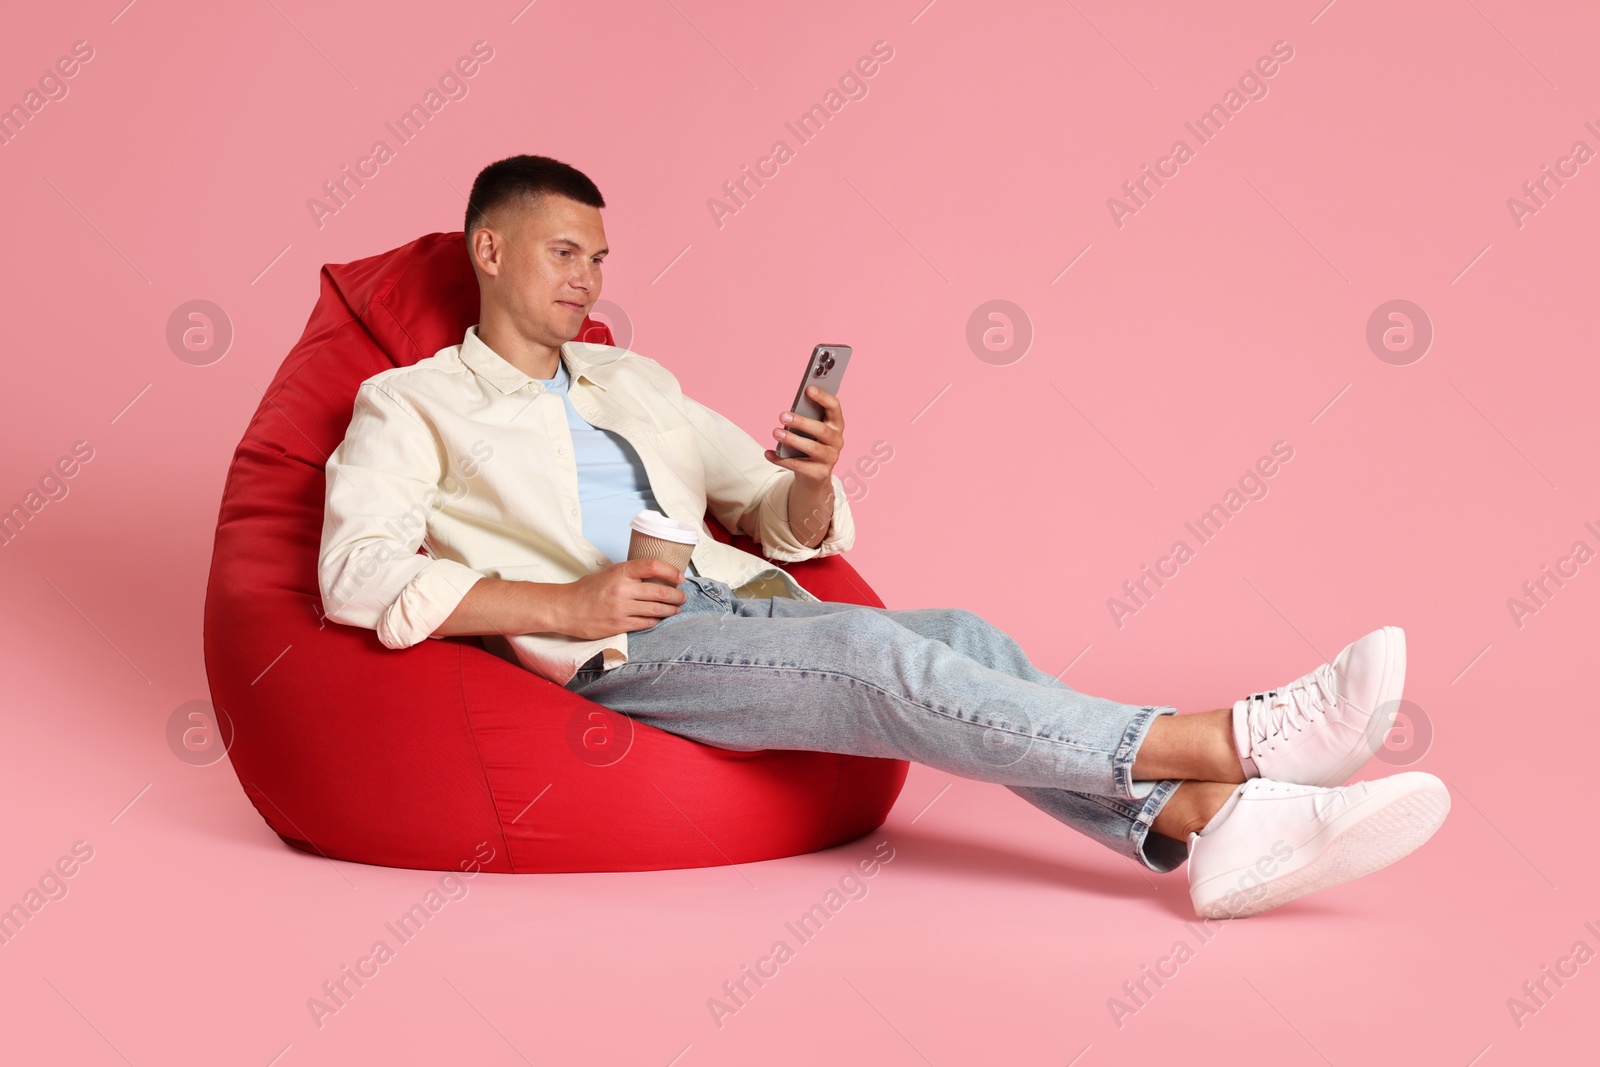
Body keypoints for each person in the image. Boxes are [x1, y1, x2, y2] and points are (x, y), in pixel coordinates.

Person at [318, 154, 1449, 919]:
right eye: (566, 252)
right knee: (877, 654)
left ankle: (1212, 822)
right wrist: (567, 605)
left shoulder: (632, 378)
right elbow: (354, 573)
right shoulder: (411, 404)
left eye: (601, 257)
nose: (590, 278)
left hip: (743, 607)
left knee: (956, 627)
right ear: (489, 249)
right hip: (622, 653)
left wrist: (810, 477)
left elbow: (773, 518)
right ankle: (1236, 740)